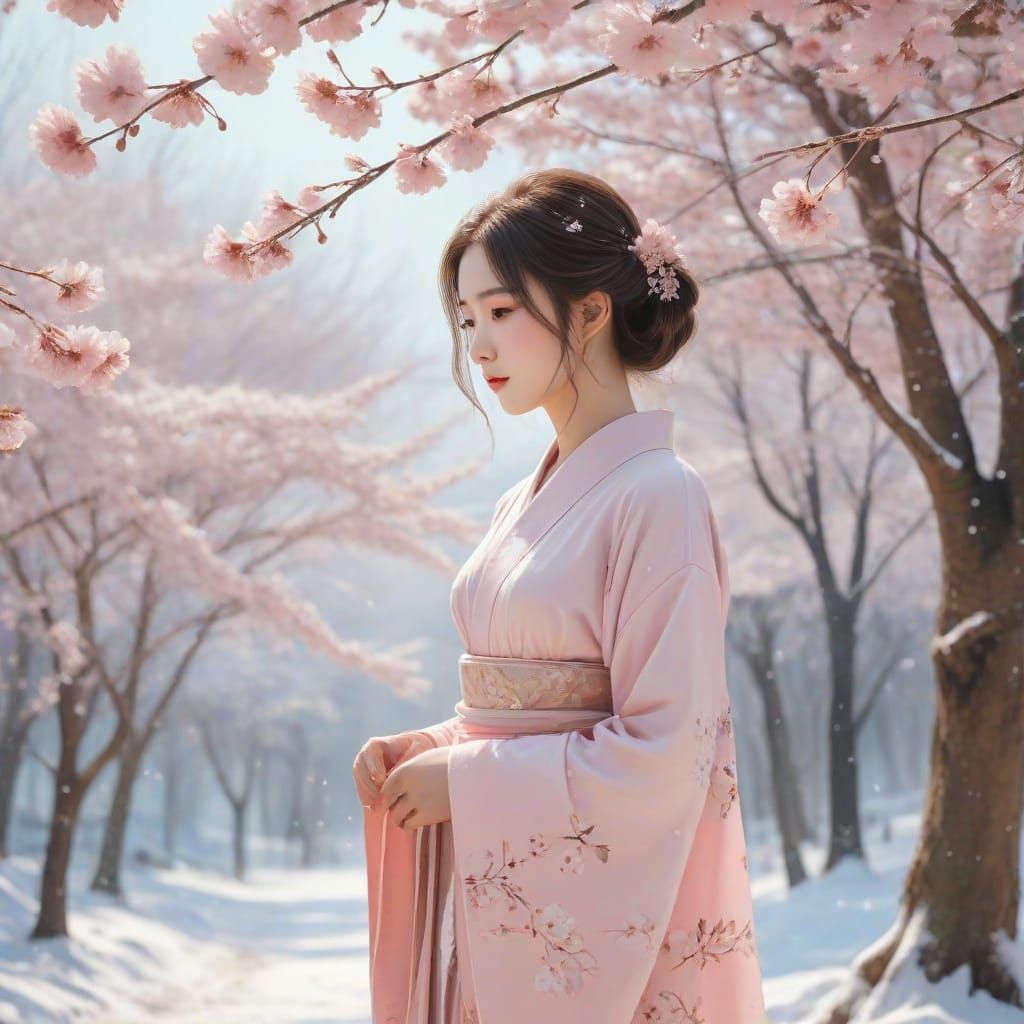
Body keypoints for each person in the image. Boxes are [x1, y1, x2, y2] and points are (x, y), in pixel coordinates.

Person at [353, 167, 768, 1024]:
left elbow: (662, 750)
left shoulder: (660, 494)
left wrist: (468, 780)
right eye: (467, 320)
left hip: (582, 931)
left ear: (590, 310)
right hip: (500, 904)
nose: (479, 344)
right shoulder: (523, 500)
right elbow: (530, 702)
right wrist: (432, 748)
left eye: (502, 312)